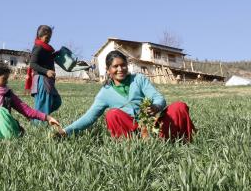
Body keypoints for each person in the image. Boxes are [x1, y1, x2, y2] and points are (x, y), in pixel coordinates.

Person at [57, 50, 195, 142]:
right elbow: (89, 117)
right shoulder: (105, 93)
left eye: (123, 65)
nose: (120, 69)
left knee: (179, 106)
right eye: (115, 66)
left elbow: (159, 98)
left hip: (154, 124)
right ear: (108, 70)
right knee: (112, 114)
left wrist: (156, 106)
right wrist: (66, 131)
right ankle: (131, 147)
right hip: (133, 131)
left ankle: (180, 141)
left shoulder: (139, 79)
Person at [0, 63, 60, 140]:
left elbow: (26, 110)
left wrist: (47, 117)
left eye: (7, 79)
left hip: (5, 129)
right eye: (4, 79)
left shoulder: (8, 94)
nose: (6, 82)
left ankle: (10, 140)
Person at [24, 25, 62, 116]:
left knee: (55, 101)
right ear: (40, 36)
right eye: (47, 37)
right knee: (43, 105)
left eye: (50, 37)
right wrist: (46, 71)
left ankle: (39, 117)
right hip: (41, 80)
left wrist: (54, 54)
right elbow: (33, 64)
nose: (49, 39)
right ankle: (38, 122)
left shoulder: (45, 48)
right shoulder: (38, 47)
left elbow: (45, 59)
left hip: (46, 81)